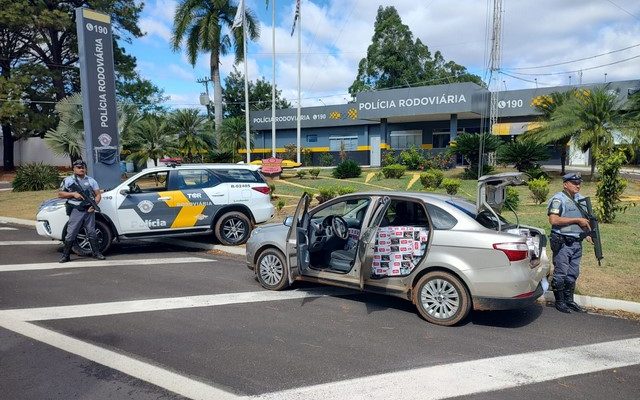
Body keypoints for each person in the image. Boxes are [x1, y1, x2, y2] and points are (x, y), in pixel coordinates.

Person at [547, 172, 592, 314]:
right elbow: (554, 220)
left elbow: (585, 220)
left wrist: (587, 234)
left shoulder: (581, 199)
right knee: (561, 273)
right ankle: (560, 302)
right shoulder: (558, 200)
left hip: (577, 243)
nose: (577, 185)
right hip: (563, 242)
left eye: (579, 183)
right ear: (565, 184)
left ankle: (569, 300)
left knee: (573, 273)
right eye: (574, 183)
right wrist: (577, 221)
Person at [58, 160, 105, 263]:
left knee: (92, 231)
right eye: (78, 167)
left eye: (83, 167)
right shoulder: (68, 180)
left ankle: (96, 253)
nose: (81, 169)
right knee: (71, 232)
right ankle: (65, 256)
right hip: (76, 209)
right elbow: (60, 194)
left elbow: (98, 195)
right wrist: (73, 194)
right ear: (74, 169)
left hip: (89, 209)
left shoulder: (91, 180)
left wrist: (94, 205)